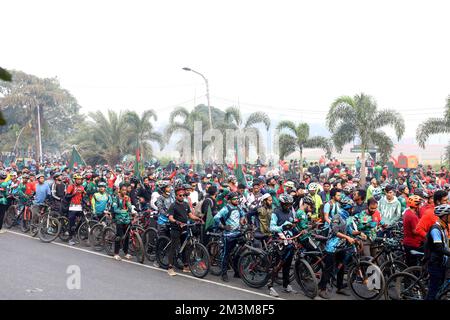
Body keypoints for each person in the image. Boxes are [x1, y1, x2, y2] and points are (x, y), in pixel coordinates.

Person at [167, 186, 203, 276]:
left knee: (186, 246)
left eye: (183, 195)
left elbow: (190, 215)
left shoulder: (186, 204)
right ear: (176, 196)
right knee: (174, 247)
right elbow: (170, 217)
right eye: (180, 195)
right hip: (175, 228)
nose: (182, 196)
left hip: (185, 227)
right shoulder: (173, 206)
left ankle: (185, 265)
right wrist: (176, 222)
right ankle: (170, 267)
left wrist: (198, 219)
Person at [268, 194, 298, 297]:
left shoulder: (290, 212)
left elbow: (292, 226)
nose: (288, 206)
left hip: (289, 241)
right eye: (286, 204)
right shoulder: (275, 213)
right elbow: (272, 227)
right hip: (279, 241)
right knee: (277, 265)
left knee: (288, 264)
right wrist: (282, 227)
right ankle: (270, 286)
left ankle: (286, 285)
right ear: (281, 203)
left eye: (290, 204)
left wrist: (297, 229)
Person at [213, 192, 247, 282]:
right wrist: (223, 226)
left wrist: (243, 221)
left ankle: (236, 272)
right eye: (234, 199)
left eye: (237, 199)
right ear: (230, 200)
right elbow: (216, 217)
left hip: (238, 233)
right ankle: (224, 274)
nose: (237, 200)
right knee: (226, 254)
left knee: (238, 253)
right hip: (228, 235)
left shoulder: (238, 207)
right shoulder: (226, 208)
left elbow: (243, 215)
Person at [424, 204, 450, 300]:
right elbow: (439, 248)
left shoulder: (443, 227)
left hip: (441, 263)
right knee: (433, 292)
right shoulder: (436, 229)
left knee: (439, 289)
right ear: (444, 216)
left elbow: (445, 244)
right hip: (435, 263)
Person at [111, 183, 133, 261]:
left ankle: (126, 252)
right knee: (119, 236)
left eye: (125, 190)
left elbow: (130, 209)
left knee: (127, 236)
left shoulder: (128, 198)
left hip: (127, 219)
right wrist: (123, 211)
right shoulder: (115, 198)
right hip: (119, 219)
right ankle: (116, 253)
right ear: (119, 190)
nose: (124, 192)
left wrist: (127, 202)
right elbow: (115, 209)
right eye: (123, 190)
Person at [402, 195, 424, 266]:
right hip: (413, 243)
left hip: (407, 242)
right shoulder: (412, 216)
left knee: (410, 264)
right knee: (413, 265)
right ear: (416, 205)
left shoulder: (407, 212)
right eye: (419, 204)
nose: (421, 206)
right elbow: (415, 231)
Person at [66, 174, 86, 246]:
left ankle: (75, 232)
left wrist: (86, 203)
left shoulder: (82, 187)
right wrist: (74, 194)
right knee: (72, 222)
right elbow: (67, 196)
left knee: (83, 219)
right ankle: (70, 238)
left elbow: (82, 197)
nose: (79, 180)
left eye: (80, 179)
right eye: (77, 179)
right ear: (75, 180)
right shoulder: (71, 186)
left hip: (79, 206)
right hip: (72, 206)